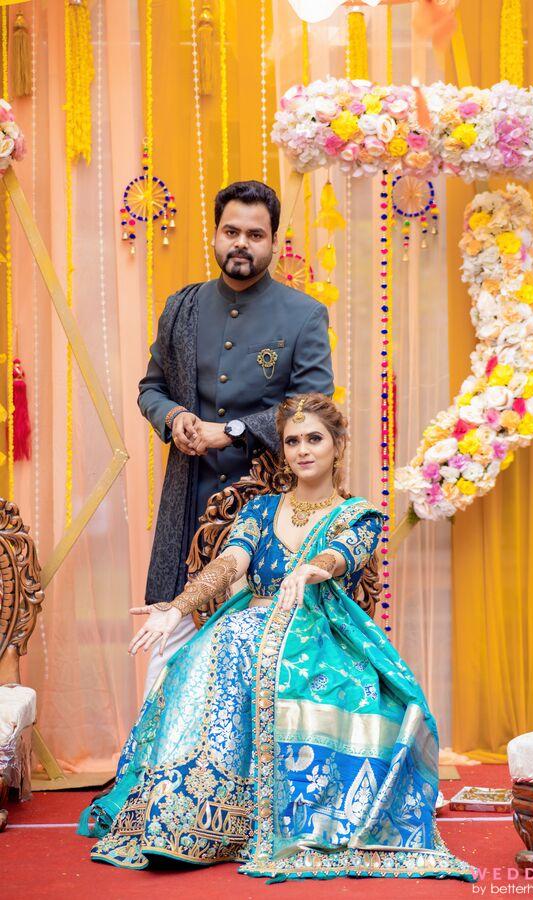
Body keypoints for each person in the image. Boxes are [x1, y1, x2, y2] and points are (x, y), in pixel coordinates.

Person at [79, 394, 475, 884]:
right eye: (292, 441)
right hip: (250, 626)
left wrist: (314, 569)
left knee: (253, 646)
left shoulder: (359, 515)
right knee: (218, 645)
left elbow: (341, 555)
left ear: (337, 446)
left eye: (314, 439)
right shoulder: (261, 509)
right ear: (283, 450)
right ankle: (197, 818)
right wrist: (178, 607)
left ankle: (272, 817)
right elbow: (230, 566)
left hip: (323, 638)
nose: (303, 450)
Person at [138, 180, 333, 690]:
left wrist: (234, 431)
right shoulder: (182, 307)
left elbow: (314, 405)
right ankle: (158, 762)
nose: (241, 243)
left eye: (255, 234)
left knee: (259, 648)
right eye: (231, 231)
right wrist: (174, 417)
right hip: (189, 496)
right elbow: (151, 388)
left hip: (270, 502)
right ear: (216, 235)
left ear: (273, 241)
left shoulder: (303, 315)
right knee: (172, 638)